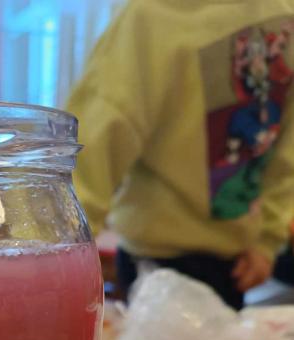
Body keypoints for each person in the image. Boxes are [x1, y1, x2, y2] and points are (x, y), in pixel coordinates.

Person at [66, 0, 294, 309]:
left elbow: (92, 142)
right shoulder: (152, 16)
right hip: (159, 258)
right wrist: (65, 251)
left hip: (230, 260)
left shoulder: (152, 15)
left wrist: (267, 242)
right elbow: (95, 144)